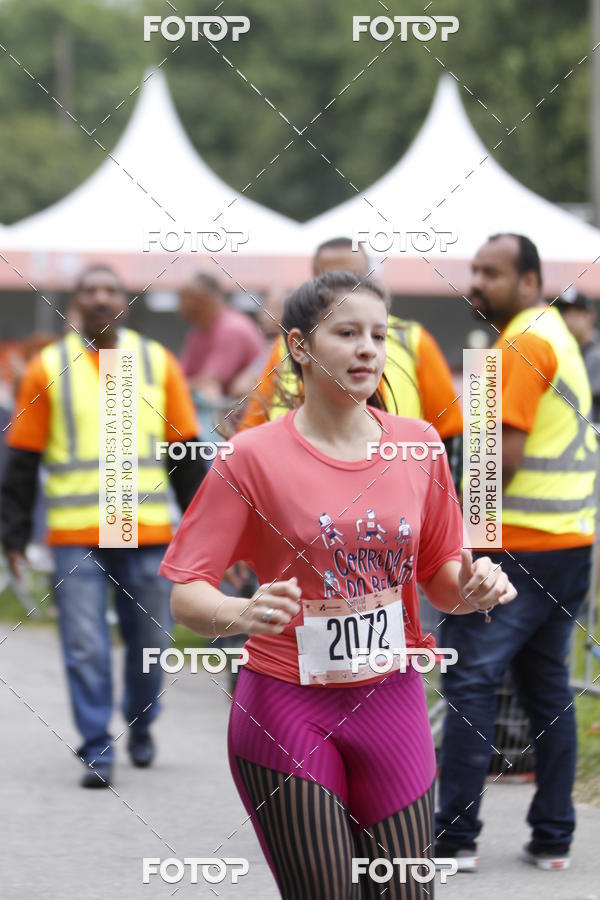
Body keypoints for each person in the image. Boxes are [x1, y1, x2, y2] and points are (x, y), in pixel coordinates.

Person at [159, 271, 516, 899]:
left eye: (378, 335)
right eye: (347, 333)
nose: (367, 349)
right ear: (299, 346)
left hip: (392, 701)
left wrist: (474, 588)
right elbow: (186, 593)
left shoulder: (419, 445)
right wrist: (243, 612)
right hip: (286, 708)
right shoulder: (252, 456)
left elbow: (441, 581)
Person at [0, 265, 206, 788]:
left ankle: (142, 721)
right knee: (85, 644)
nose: (100, 298)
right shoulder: (48, 366)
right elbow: (22, 459)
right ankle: (97, 745)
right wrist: (13, 536)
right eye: (89, 290)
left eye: (110, 289)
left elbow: (185, 455)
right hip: (77, 537)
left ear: (125, 302)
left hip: (146, 531)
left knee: (150, 641)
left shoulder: (157, 363)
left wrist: (206, 533)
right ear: (76, 303)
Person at [435, 234, 597, 871]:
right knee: (546, 687)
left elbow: (499, 459)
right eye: (475, 270)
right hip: (567, 544)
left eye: (493, 273)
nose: (478, 282)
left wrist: (464, 544)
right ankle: (554, 837)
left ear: (530, 280)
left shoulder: (522, 343)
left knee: (471, 679)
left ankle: (454, 838)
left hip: (517, 549)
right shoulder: (556, 335)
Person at [237, 237, 463, 489]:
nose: (344, 288)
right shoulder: (286, 346)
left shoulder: (413, 340)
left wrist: (441, 497)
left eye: (378, 337)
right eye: (330, 278)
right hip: (299, 487)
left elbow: (449, 433)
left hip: (393, 489)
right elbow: (252, 425)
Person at [178, 272, 265, 398]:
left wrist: (175, 386)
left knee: (209, 392)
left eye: (186, 297)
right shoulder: (199, 331)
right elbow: (182, 376)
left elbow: (211, 382)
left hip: (245, 408)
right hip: (226, 406)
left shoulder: (231, 329)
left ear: (205, 298)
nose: (181, 303)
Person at [554, 287, 600, 423]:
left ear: (591, 315)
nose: (569, 319)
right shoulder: (561, 348)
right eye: (565, 313)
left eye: (576, 313)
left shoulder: (596, 354)